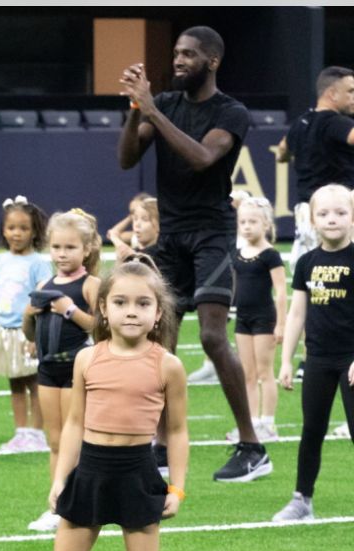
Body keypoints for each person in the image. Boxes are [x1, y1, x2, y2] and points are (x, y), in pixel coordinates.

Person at [118, 25, 270, 483]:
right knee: (158, 341)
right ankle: (161, 447)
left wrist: (152, 111)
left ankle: (252, 446)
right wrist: (134, 110)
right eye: (176, 54)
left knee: (210, 336)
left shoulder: (231, 112)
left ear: (212, 61)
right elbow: (127, 159)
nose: (179, 60)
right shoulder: (164, 104)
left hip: (211, 233)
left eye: (188, 54)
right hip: (172, 235)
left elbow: (202, 157)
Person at [46, 254, 188, 551]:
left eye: (143, 303)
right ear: (103, 308)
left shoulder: (167, 365)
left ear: (157, 313)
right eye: (121, 302)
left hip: (136, 474)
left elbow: (178, 430)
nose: (132, 311)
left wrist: (177, 485)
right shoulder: (87, 358)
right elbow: (72, 422)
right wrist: (60, 477)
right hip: (89, 471)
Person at [274, 185, 354, 522]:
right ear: (311, 220)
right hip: (319, 358)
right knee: (312, 430)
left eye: (340, 212)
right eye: (324, 214)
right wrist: (286, 360)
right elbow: (296, 313)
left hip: (350, 359)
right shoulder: (307, 262)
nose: (332, 219)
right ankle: (302, 499)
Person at [25, 210, 102, 533]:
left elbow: (101, 328)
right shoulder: (44, 283)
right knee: (55, 440)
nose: (62, 254)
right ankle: (56, 504)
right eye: (56, 247)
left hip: (77, 366)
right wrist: (29, 314)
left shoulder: (90, 284)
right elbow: (30, 333)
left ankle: (76, 503)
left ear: (85, 250)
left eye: (70, 248)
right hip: (47, 368)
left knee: (76, 441)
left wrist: (68, 309)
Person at [0, 196, 53, 453]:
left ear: (34, 231)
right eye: (11, 228)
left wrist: (35, 335)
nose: (16, 234)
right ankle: (21, 432)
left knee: (35, 383)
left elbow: (42, 301)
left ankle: (37, 433)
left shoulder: (39, 263)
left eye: (23, 228)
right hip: (3, 331)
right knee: (15, 384)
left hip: (27, 331)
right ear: (3, 230)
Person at [275, 66, 354, 268]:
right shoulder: (336, 122)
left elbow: (281, 153)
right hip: (338, 210)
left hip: (308, 213)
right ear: (332, 94)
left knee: (310, 274)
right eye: (350, 92)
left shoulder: (302, 122)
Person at [226, 197, 286, 443]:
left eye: (253, 222)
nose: (248, 226)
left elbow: (281, 292)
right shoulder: (238, 254)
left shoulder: (270, 255)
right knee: (247, 374)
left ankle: (268, 423)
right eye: (243, 222)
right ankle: (250, 424)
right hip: (243, 318)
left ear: (266, 224)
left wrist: (281, 324)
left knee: (264, 372)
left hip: (264, 318)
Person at [103, 192, 153, 257]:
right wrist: (130, 217)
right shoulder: (135, 235)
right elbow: (112, 234)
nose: (137, 224)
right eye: (132, 212)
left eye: (144, 218)